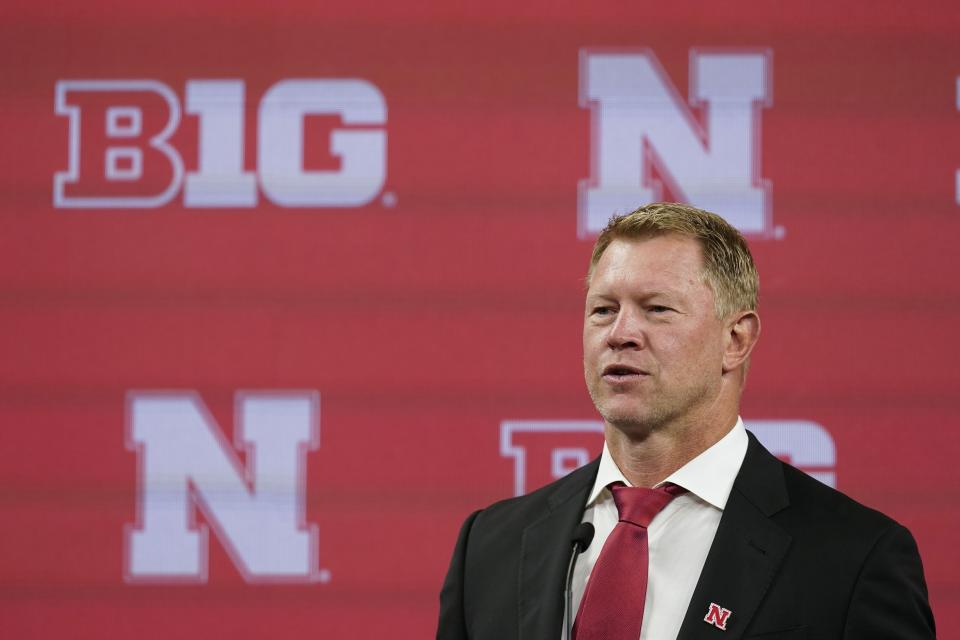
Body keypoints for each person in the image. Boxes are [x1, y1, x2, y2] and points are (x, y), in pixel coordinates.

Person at [436, 202, 935, 639]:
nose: (621, 333)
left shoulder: (853, 558)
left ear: (735, 341)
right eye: (603, 310)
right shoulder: (489, 545)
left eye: (656, 309)